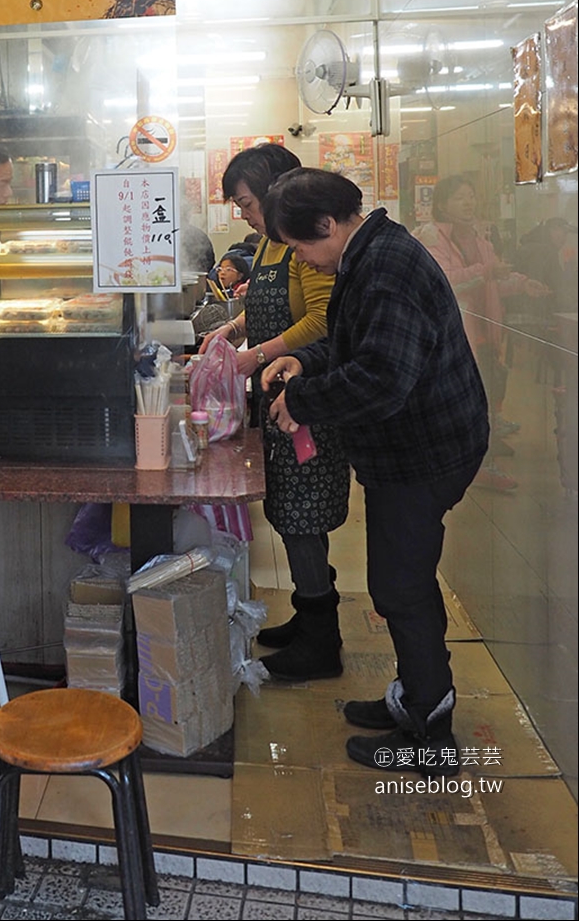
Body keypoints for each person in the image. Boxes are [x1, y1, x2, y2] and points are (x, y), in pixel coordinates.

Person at [259, 168, 489, 768]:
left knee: (401, 587)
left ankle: (431, 735)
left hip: (425, 451)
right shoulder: (368, 254)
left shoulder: (385, 268)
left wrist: (302, 402)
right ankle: (417, 697)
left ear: (329, 224)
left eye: (304, 245)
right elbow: (349, 342)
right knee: (404, 579)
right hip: (413, 446)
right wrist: (302, 363)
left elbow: (382, 379)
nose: (304, 261)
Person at [202, 145, 350, 682]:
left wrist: (253, 356)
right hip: (277, 393)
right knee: (289, 511)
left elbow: (320, 320)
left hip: (305, 400)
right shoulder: (268, 245)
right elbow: (267, 308)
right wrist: (233, 329)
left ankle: (321, 642)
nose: (243, 215)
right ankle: (310, 615)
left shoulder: (302, 244)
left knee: (303, 513)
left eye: (246, 203)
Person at [414, 175, 548, 493]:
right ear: (443, 205)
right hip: (454, 334)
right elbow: (446, 282)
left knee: (489, 389)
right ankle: (474, 463)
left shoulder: (481, 240)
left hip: (485, 330)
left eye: (471, 196)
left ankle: (478, 458)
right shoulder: (432, 239)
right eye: (460, 197)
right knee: (466, 402)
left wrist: (521, 283)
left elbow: (492, 280)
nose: (468, 203)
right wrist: (486, 271)